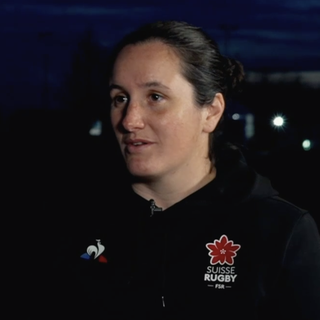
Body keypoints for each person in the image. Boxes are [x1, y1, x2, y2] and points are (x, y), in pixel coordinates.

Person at [32, 20, 320, 319]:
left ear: (211, 112)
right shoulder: (68, 219)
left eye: (155, 97)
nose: (129, 120)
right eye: (120, 98)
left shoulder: (281, 232)